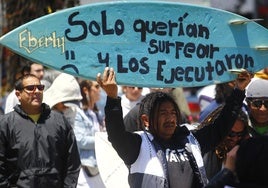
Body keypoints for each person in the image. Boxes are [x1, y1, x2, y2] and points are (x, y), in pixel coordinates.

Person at [96, 67, 251, 188]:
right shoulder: (138, 145)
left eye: (173, 112)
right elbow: (115, 133)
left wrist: (239, 91)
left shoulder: (191, 141)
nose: (170, 118)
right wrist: (112, 98)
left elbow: (221, 127)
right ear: (146, 120)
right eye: (163, 113)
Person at [0, 74, 81, 187]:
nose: (37, 91)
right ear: (18, 94)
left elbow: (72, 162)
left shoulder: (59, 122)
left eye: (40, 87)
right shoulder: (5, 124)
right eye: (30, 88)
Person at [73, 79, 106, 188]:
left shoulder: (97, 113)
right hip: (85, 169)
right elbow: (80, 140)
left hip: (100, 168)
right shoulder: (78, 113)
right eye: (96, 87)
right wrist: (102, 139)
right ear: (86, 90)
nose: (100, 90)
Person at [202, 109, 250, 180]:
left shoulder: (245, 152)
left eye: (240, 134)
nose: (235, 138)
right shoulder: (204, 152)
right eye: (231, 134)